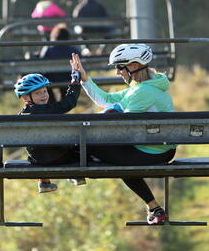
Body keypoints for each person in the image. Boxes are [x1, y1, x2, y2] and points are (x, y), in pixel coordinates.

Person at [73, 44, 176, 225]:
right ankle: (154, 208)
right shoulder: (145, 87)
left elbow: (120, 126)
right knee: (117, 159)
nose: (117, 72)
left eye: (120, 67)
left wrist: (101, 121)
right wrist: (85, 79)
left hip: (152, 151)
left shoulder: (143, 91)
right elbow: (107, 101)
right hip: (157, 147)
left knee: (86, 143)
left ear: (134, 66)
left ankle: (76, 167)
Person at [14, 57, 86, 193]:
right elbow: (69, 103)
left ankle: (44, 182)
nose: (44, 95)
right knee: (77, 149)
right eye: (37, 93)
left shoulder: (21, 115)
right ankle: (75, 174)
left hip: (38, 160)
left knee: (33, 151)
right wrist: (75, 80)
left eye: (45, 91)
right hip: (60, 157)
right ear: (25, 97)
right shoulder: (46, 110)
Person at [39, 23, 81, 101]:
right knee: (65, 95)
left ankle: (52, 103)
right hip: (69, 77)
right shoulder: (74, 49)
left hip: (52, 78)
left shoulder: (48, 48)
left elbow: (42, 63)